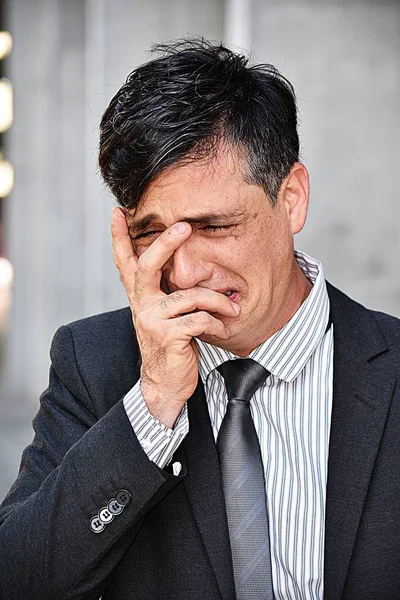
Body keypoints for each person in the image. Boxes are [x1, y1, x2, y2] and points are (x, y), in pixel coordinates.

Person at [1, 39, 399, 600]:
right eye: (151, 233)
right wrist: (153, 404)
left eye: (213, 227)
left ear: (291, 199)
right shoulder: (93, 364)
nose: (183, 272)